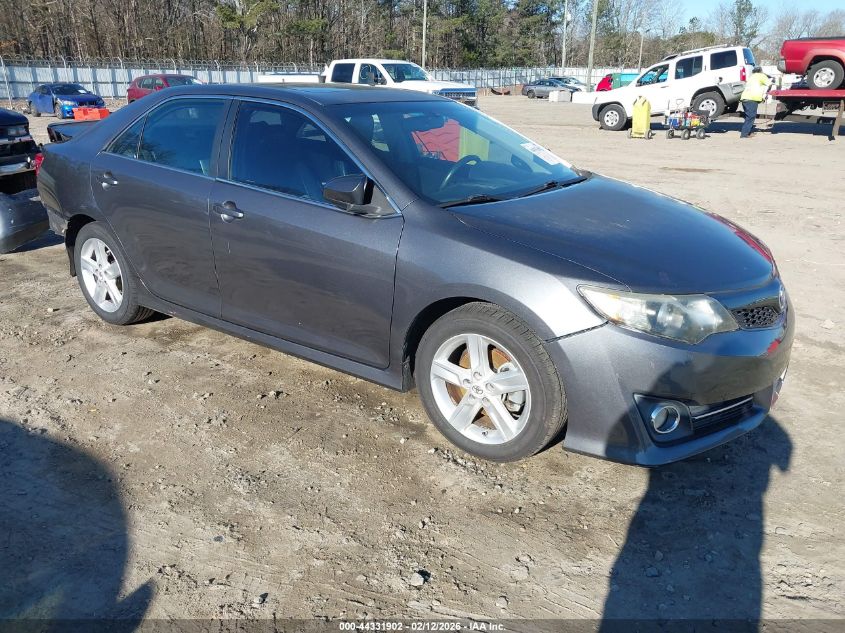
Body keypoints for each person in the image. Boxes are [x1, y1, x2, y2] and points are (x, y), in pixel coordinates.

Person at [739, 65, 771, 138]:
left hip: (744, 98)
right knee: (751, 116)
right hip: (752, 98)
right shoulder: (761, 76)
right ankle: (744, 134)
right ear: (761, 71)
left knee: (749, 116)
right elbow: (769, 84)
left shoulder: (751, 77)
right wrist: (767, 93)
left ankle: (748, 132)